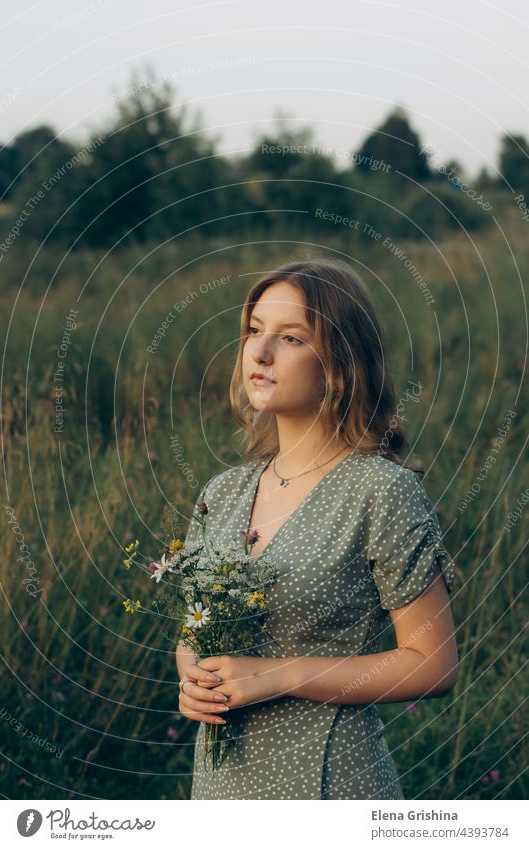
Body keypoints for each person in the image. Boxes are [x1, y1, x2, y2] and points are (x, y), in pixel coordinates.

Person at [176, 257, 458, 800]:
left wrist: (278, 675)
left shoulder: (380, 490)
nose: (259, 353)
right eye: (254, 331)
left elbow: (433, 665)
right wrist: (193, 677)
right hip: (220, 790)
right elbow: (193, 633)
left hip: (328, 784)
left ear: (341, 363)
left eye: (291, 337)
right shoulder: (222, 494)